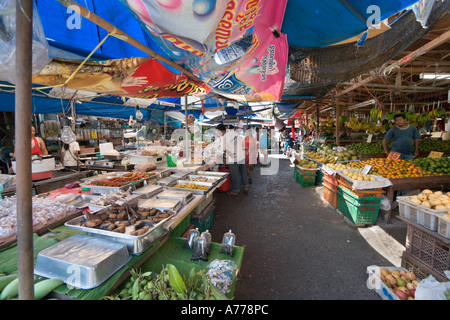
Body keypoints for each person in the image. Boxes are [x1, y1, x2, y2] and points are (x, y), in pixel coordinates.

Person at [218, 124, 249, 196]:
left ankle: (235, 190)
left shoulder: (224, 137)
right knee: (243, 172)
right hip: (241, 155)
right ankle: (246, 187)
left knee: (234, 175)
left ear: (220, 131)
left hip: (233, 157)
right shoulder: (235, 133)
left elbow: (223, 149)